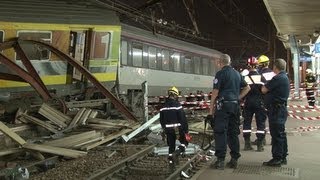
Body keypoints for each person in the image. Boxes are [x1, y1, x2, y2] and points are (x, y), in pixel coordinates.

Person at [206, 54, 250, 170]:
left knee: (220, 132)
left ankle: (220, 161)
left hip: (223, 107)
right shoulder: (237, 74)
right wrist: (238, 98)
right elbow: (247, 88)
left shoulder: (220, 74)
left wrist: (210, 112)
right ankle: (234, 159)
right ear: (229, 62)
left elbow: (215, 93)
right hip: (235, 107)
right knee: (233, 133)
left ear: (220, 62)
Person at [261, 58, 289, 167]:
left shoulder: (277, 78)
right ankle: (283, 157)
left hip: (276, 110)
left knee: (277, 135)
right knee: (281, 134)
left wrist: (266, 83)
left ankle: (277, 158)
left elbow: (264, 89)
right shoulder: (284, 77)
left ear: (275, 67)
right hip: (280, 109)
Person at [160, 86, 189, 170]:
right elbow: (182, 119)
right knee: (185, 142)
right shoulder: (177, 105)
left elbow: (161, 120)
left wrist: (164, 129)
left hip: (168, 129)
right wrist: (185, 131)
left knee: (171, 145)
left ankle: (171, 163)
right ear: (176, 95)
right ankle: (177, 153)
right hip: (177, 128)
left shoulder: (163, 106)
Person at [242, 56, 267, 152]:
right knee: (260, 123)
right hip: (259, 102)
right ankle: (260, 145)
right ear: (257, 65)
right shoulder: (261, 77)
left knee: (247, 122)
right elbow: (265, 90)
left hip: (248, 102)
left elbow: (242, 90)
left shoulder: (245, 77)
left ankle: (247, 144)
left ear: (248, 66)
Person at [251, 55, 275, 146]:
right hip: (273, 100)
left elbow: (259, 88)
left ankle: (261, 139)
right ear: (268, 63)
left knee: (261, 121)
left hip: (263, 100)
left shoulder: (259, 74)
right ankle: (274, 139)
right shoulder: (273, 73)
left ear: (260, 65)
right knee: (273, 121)